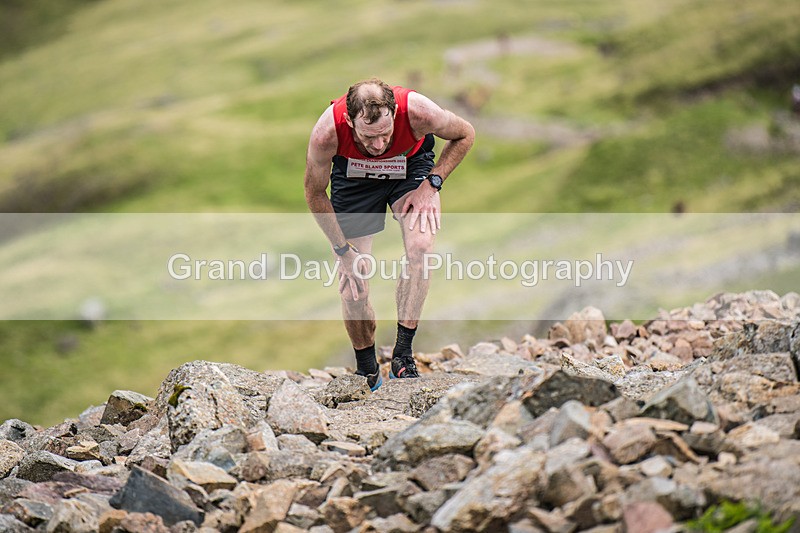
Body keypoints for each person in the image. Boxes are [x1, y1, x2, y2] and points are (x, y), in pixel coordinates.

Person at [304, 78, 475, 391]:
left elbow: (465, 134)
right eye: (368, 137)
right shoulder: (327, 133)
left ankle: (403, 355)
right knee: (353, 288)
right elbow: (314, 193)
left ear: (395, 114)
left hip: (409, 171)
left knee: (421, 248)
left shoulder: (420, 112)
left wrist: (431, 184)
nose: (379, 145)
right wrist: (342, 251)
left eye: (385, 134)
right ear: (349, 121)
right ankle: (367, 369)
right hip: (354, 179)